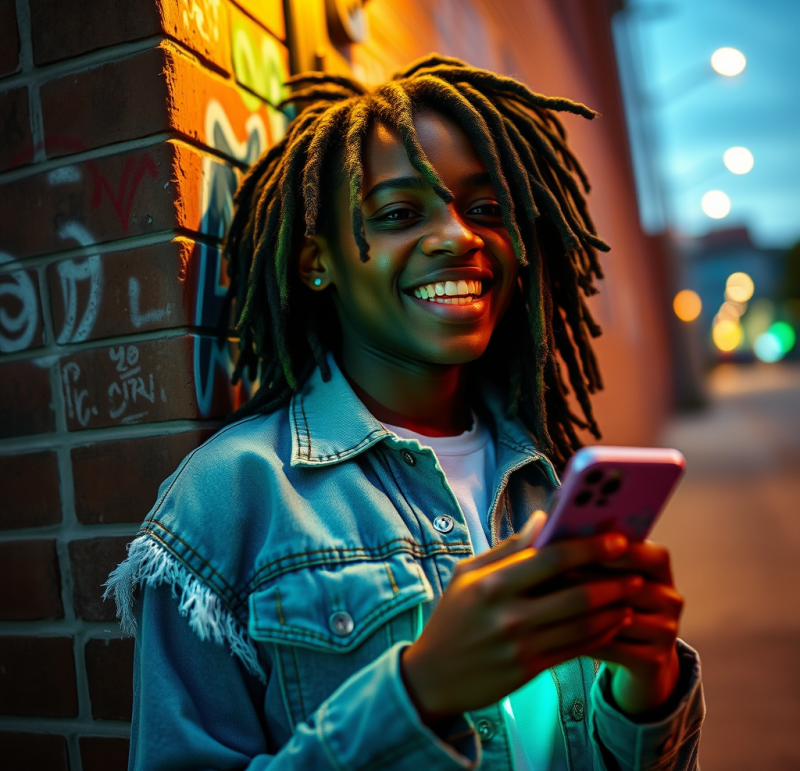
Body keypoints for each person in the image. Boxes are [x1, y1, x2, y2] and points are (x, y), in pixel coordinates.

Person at [107, 55, 704, 770]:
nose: (459, 237)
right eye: (397, 213)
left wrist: (651, 689)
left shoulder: (546, 479)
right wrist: (418, 693)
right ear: (315, 261)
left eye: (486, 209)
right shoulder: (230, 498)